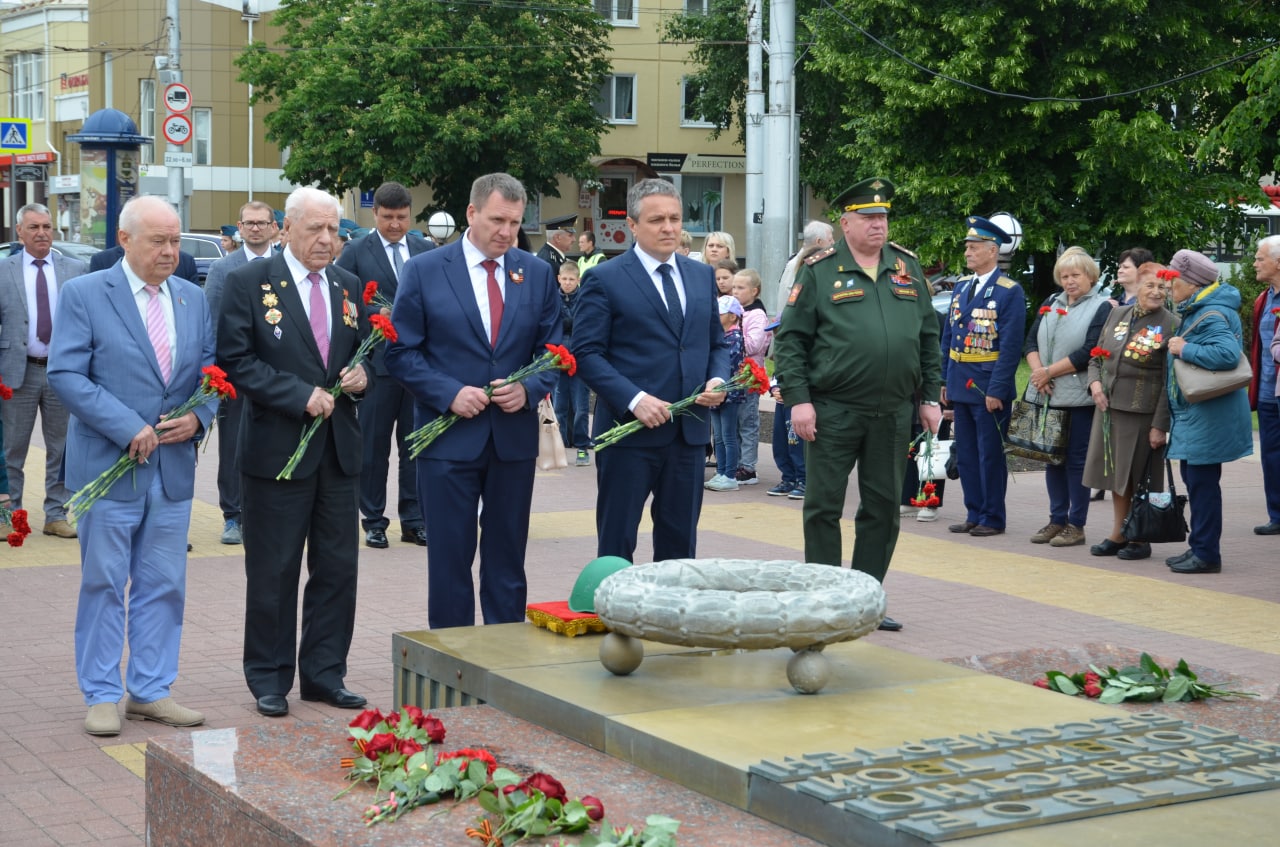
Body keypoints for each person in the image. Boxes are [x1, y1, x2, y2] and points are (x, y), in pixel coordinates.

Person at [47, 195, 217, 736]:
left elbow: (210, 372)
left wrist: (201, 417)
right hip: (107, 467)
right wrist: (126, 427)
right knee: (103, 583)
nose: (171, 252)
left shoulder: (193, 298)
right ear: (125, 240)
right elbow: (67, 374)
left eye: (175, 241)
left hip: (171, 472)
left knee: (164, 585)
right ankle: (100, 693)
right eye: (158, 241)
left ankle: (150, 690)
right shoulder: (85, 294)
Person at [217, 186, 372, 717]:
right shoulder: (248, 282)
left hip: (337, 453)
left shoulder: (348, 286)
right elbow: (235, 360)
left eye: (334, 230)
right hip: (275, 451)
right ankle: (269, 676)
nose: (327, 240)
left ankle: (325, 674)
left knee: (337, 569)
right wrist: (298, 395)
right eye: (316, 229)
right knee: (274, 570)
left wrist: (362, 376)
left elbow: (364, 354)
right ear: (287, 228)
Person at [384, 173, 562, 628]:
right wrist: (449, 393)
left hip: (512, 441)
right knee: (449, 560)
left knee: (507, 559)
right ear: (471, 213)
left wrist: (528, 389)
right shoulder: (424, 270)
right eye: (498, 220)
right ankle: (452, 663)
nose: (507, 232)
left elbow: (554, 351)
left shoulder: (536, 272)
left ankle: (503, 660)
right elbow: (401, 351)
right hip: (448, 442)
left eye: (515, 223)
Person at [772, 177, 941, 633]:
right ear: (845, 223)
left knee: (883, 508)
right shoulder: (820, 269)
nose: (878, 225)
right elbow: (790, 342)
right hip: (833, 410)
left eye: (883, 217)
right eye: (868, 218)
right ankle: (826, 600)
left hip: (892, 412)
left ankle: (866, 599)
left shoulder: (906, 267)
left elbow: (928, 337)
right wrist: (799, 402)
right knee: (824, 506)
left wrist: (929, 396)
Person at [572, 178, 729, 561]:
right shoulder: (604, 278)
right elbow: (587, 354)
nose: (670, 228)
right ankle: (611, 615)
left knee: (679, 545)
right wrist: (634, 399)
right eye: (657, 219)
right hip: (628, 435)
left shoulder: (701, 276)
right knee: (617, 541)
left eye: (676, 218)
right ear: (632, 224)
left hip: (688, 436)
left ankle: (670, 618)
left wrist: (719, 378)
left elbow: (716, 343)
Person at [336, 181, 435, 549]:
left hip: (419, 367)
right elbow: (343, 303)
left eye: (402, 217)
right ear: (374, 213)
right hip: (376, 368)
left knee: (414, 446)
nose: (395, 224)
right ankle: (373, 519)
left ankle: (414, 519)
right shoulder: (356, 252)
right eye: (388, 217)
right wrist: (378, 313)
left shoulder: (426, 250)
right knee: (374, 449)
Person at [0, 202, 86, 539]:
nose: (42, 233)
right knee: (12, 448)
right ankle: (10, 516)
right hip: (16, 372)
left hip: (61, 373)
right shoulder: (4, 270)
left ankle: (56, 514)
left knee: (62, 448)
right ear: (19, 232)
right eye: (34, 227)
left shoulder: (76, 270)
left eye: (47, 227)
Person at [1165, 250, 1252, 574]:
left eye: (1174, 279)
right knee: (1197, 481)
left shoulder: (1213, 312)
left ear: (1192, 282)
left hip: (1208, 416)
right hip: (1199, 414)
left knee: (1202, 485)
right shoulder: (1199, 308)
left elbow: (1228, 355)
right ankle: (1199, 547)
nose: (1170, 285)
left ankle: (1206, 554)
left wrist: (1183, 348)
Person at [940, 216, 1026, 537]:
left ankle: (993, 516)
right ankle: (973, 512)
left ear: (993, 251)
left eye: (974, 248)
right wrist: (944, 381)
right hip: (960, 381)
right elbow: (949, 336)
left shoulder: (1009, 291)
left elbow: (1010, 347)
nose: (968, 253)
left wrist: (998, 389)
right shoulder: (962, 286)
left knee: (990, 454)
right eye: (967, 248)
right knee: (966, 453)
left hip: (988, 386)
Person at [1083, 263, 1174, 560]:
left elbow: (1168, 381)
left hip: (1143, 414)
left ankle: (1141, 535)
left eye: (1162, 287)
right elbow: (1096, 356)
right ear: (1137, 286)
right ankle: (1119, 533)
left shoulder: (1172, 323)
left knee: (1141, 478)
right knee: (1116, 476)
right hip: (1110, 410)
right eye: (1150, 285)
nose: (1157, 292)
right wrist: (1095, 384)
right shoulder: (1118, 313)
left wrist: (1160, 424)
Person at [1023, 247, 1113, 548]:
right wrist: (1039, 374)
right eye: (1064, 276)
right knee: (1051, 459)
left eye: (1075, 275)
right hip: (1046, 392)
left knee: (1076, 461)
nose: (1070, 281)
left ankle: (1076, 524)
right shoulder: (1050, 302)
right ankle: (1056, 519)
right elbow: (1031, 340)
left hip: (1078, 397)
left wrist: (1048, 372)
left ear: (1090, 276)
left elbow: (1089, 350)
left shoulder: (1102, 306)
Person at [202, 201, 279, 545]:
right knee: (233, 445)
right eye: (250, 223)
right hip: (235, 375)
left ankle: (267, 513)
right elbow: (213, 321)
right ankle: (233, 515)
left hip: (278, 375)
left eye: (262, 223)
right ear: (239, 227)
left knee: (275, 443)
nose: (256, 229)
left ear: (274, 227)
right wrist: (215, 375)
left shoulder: (285, 266)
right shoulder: (224, 269)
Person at [1247, 235, 1280, 535]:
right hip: (1269, 392)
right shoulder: (1263, 298)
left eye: (1260, 258)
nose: (1255, 263)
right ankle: (1277, 515)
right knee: (1271, 456)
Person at [731, 268, 769, 486]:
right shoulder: (736, 311)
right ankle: (735, 463)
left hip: (749, 377)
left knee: (748, 421)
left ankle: (748, 467)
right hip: (733, 377)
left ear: (754, 291)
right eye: (734, 287)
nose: (735, 291)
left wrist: (733, 333)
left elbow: (753, 345)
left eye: (740, 288)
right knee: (733, 422)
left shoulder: (757, 315)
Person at [554, 260, 592, 465]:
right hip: (558, 358)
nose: (567, 283)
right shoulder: (552, 298)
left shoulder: (585, 299)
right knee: (559, 405)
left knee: (581, 406)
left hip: (579, 357)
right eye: (564, 279)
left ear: (578, 280)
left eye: (572, 279)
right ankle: (559, 446)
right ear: (558, 278)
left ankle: (582, 446)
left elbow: (584, 326)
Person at [706, 295, 745, 491]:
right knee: (719, 436)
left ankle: (730, 475)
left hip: (730, 394)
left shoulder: (735, 338)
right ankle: (720, 472)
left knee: (728, 435)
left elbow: (729, 365)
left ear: (732, 316)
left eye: (720, 313)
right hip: (715, 392)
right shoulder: (720, 337)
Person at [774, 220, 834, 315]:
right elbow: (787, 301)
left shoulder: (817, 262)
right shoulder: (797, 264)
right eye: (830, 240)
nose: (833, 243)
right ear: (819, 241)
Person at [90, 240, 200, 284]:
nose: (168, 251)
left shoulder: (186, 262)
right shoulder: (102, 261)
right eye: (157, 241)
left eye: (175, 241)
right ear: (126, 238)